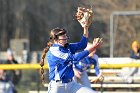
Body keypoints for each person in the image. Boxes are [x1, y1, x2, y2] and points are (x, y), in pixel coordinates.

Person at [40, 26, 103, 93]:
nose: (66, 38)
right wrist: (93, 47)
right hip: (57, 86)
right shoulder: (54, 50)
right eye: (63, 37)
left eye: (65, 36)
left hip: (71, 85)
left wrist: (85, 28)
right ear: (56, 39)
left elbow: (82, 44)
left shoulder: (67, 46)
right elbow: (75, 58)